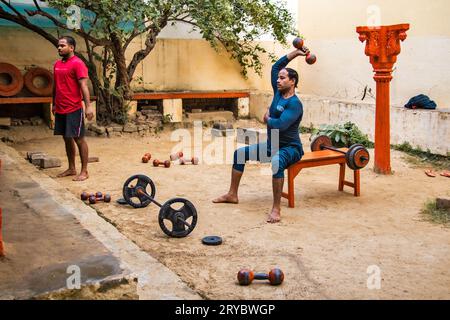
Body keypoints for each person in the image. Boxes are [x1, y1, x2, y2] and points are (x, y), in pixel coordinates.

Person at [213, 47, 309, 223]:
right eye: (278, 78)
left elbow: (280, 125)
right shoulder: (278, 93)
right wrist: (296, 53)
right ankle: (232, 194)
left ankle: (276, 208)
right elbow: (276, 66)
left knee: (276, 162)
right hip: (273, 145)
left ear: (292, 81)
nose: (278, 80)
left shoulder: (295, 104)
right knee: (239, 154)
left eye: (282, 78)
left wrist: (267, 118)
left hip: (291, 148)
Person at [53, 36, 94, 181]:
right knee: (66, 138)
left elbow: (84, 86)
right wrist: (54, 103)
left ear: (72, 48)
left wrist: (88, 106)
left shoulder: (78, 63)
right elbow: (55, 86)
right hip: (61, 107)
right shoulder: (57, 64)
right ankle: (71, 168)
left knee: (79, 139)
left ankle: (84, 171)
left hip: (74, 108)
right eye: (58, 46)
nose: (59, 48)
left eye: (62, 45)